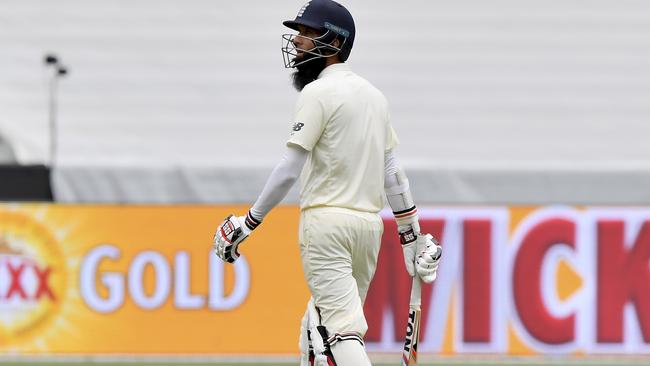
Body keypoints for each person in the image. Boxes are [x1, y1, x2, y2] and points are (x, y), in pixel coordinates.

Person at [213, 1, 442, 365]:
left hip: (326, 227)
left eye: (308, 33)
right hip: (368, 231)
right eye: (299, 32)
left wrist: (249, 222)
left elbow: (290, 168)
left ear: (334, 43)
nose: (298, 41)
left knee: (341, 331)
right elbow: (392, 173)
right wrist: (410, 236)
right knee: (315, 331)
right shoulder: (375, 97)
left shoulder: (317, 94)